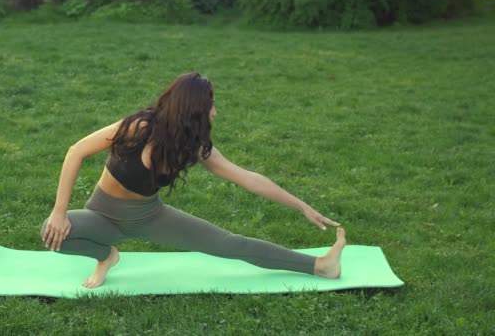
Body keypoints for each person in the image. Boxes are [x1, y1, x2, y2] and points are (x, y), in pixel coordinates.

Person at [41, 73, 346, 289]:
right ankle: (106, 256)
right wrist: (59, 211)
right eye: (210, 105)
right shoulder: (139, 126)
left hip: (149, 216)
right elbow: (76, 151)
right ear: (194, 110)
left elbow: (249, 179)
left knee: (231, 245)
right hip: (102, 215)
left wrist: (301, 205)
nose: (215, 111)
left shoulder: (195, 148)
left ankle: (319, 265)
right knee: (53, 234)